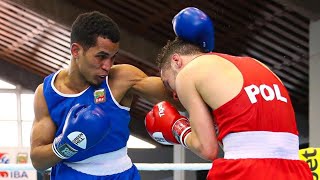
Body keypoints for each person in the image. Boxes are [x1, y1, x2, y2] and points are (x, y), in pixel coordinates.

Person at [145, 7, 313, 179]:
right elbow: (246, 139)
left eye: (167, 83)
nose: (174, 93)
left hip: (246, 170)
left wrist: (179, 129)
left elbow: (208, 149)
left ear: (176, 61)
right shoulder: (257, 64)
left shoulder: (187, 74)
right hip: (296, 170)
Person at [30, 11, 178, 180]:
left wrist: (195, 65)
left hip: (121, 175)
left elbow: (178, 97)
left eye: (112, 58)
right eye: (101, 57)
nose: (107, 66)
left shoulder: (121, 78)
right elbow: (38, 161)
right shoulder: (47, 93)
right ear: (76, 50)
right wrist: (68, 144)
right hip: (71, 175)